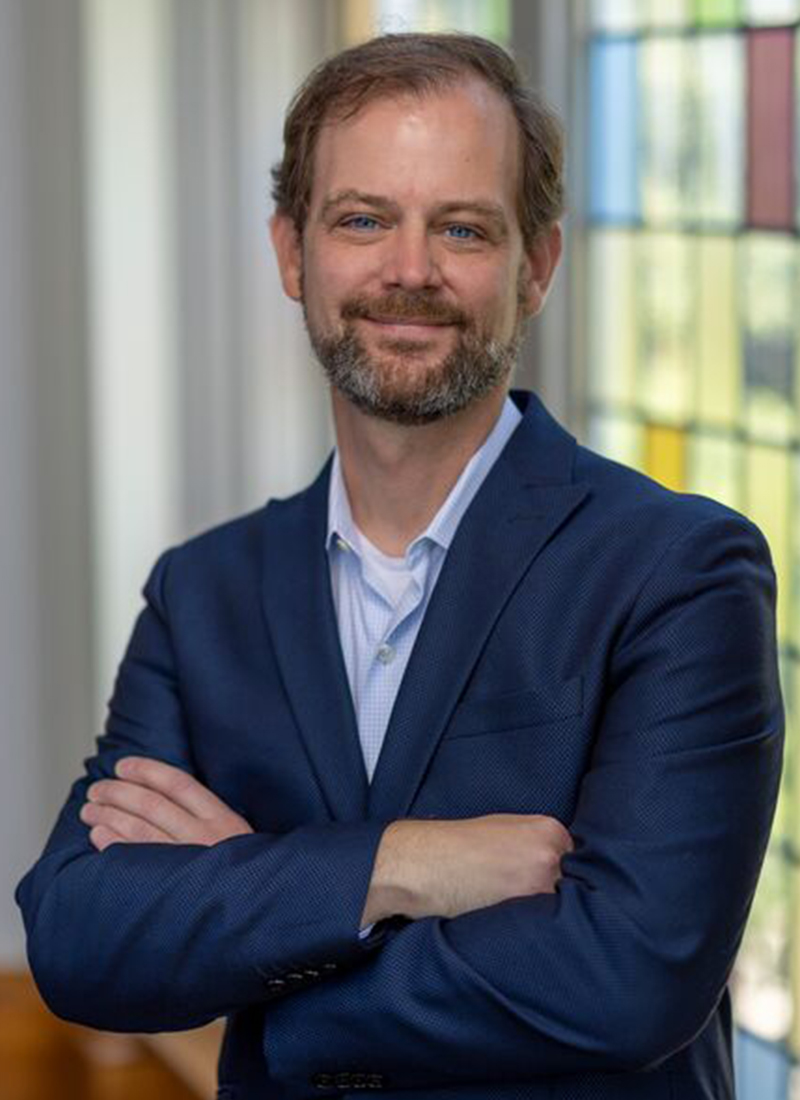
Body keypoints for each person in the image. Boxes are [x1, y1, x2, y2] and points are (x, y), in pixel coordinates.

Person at [16, 31, 783, 1100]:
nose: (408, 270)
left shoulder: (678, 574)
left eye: (460, 227)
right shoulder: (205, 596)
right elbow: (79, 934)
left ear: (536, 267)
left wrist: (264, 931)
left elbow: (626, 979)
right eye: (363, 218)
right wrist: (404, 864)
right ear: (292, 252)